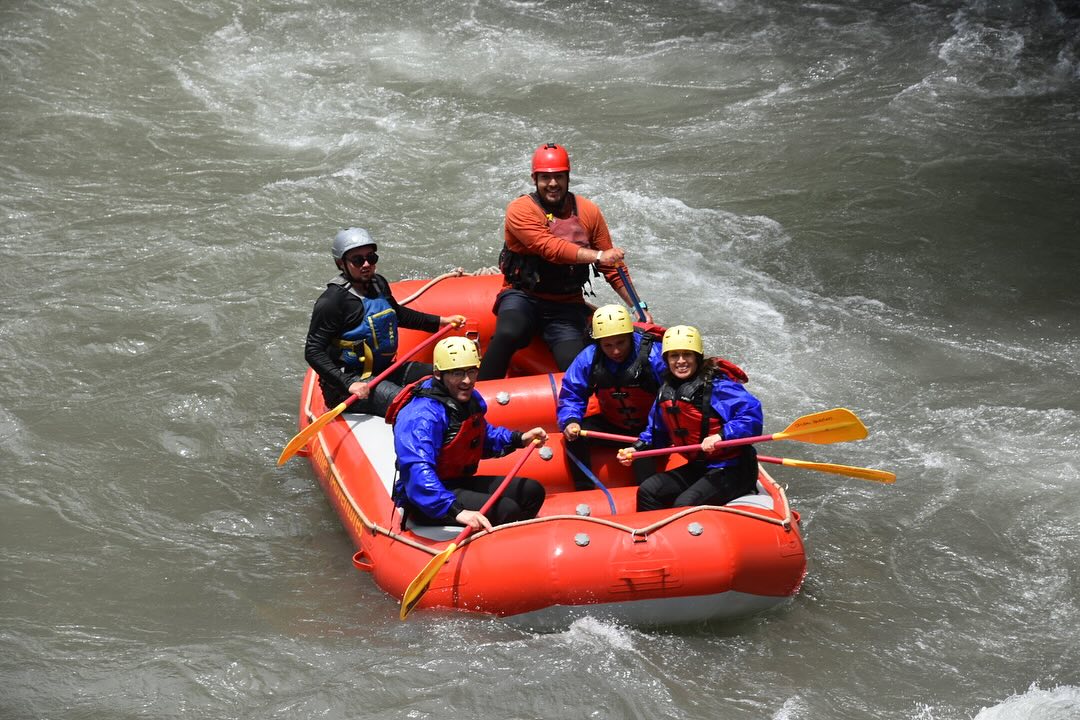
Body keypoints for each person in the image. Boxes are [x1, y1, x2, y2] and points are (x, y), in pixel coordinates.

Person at [477, 142, 653, 380]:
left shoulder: (588, 211)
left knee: (574, 362)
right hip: (522, 297)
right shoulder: (520, 210)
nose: (552, 184)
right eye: (545, 178)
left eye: (559, 177)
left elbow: (612, 268)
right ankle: (479, 393)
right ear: (535, 179)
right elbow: (550, 248)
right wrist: (598, 255)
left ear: (567, 177)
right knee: (509, 332)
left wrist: (638, 307)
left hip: (566, 306)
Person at [390, 337, 549, 530]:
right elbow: (417, 471)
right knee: (507, 509)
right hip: (424, 499)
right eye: (458, 373)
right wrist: (457, 511)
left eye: (471, 371)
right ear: (439, 374)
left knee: (532, 491)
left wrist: (518, 439)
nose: (467, 380)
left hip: (456, 483)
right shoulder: (422, 416)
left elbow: (479, 435)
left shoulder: (466, 398)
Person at [303, 227, 465, 417]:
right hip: (349, 383)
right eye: (357, 259)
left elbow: (398, 315)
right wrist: (348, 384)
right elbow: (313, 350)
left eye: (371, 258)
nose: (366, 264)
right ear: (341, 263)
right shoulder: (332, 301)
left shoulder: (378, 283)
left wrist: (441, 321)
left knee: (450, 378)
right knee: (412, 403)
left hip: (386, 370)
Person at [617, 325, 763, 511]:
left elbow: (751, 414)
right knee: (648, 490)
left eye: (687, 354)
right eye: (674, 355)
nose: (681, 361)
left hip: (733, 468)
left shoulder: (717, 386)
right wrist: (636, 449)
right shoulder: (666, 391)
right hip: (700, 466)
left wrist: (721, 436)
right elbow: (656, 432)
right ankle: (651, 539)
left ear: (697, 357)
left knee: (684, 504)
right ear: (666, 359)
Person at [556, 304, 666, 489]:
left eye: (620, 343)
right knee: (575, 437)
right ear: (599, 343)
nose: (615, 351)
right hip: (614, 425)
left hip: (653, 429)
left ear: (630, 336)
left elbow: (671, 399)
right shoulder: (589, 358)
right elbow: (572, 393)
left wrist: (649, 436)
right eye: (608, 345)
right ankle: (585, 490)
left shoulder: (654, 355)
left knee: (644, 470)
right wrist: (570, 420)